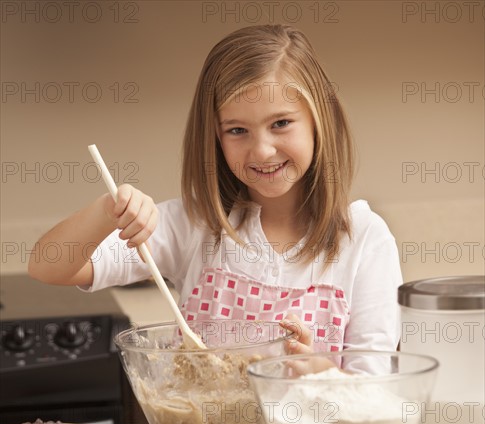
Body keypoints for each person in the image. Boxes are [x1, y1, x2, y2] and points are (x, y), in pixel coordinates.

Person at [29, 24, 402, 357]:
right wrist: (107, 210)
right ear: (214, 138)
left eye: (282, 123)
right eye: (237, 130)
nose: (262, 150)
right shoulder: (193, 225)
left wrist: (316, 374)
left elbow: (372, 393)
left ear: (320, 121)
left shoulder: (365, 240)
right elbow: (49, 266)